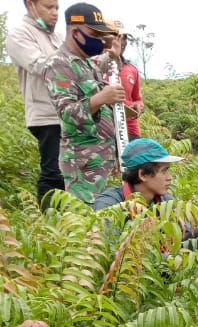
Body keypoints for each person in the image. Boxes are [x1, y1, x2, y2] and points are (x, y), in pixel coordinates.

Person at [44, 2, 124, 204]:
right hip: (83, 165)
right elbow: (67, 113)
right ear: (75, 31)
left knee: (105, 217)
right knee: (87, 222)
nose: (98, 40)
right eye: (95, 34)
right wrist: (101, 98)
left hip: (103, 159)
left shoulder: (87, 62)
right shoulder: (58, 64)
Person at [93, 138, 198, 248]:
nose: (169, 177)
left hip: (160, 260)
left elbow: (186, 231)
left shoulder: (166, 200)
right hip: (131, 265)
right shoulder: (110, 203)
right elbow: (111, 248)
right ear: (143, 174)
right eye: (164, 171)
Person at [6, 0, 65, 204]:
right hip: (45, 115)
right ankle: (49, 221)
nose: (55, 12)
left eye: (57, 7)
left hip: (68, 113)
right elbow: (40, 65)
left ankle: (69, 219)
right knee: (53, 173)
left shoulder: (57, 36)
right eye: (49, 7)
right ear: (31, 5)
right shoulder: (19, 35)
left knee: (68, 172)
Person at [108, 25, 144, 140]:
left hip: (130, 129)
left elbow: (137, 98)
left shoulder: (132, 69)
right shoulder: (95, 65)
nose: (122, 41)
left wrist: (138, 106)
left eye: (125, 37)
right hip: (105, 129)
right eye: (118, 36)